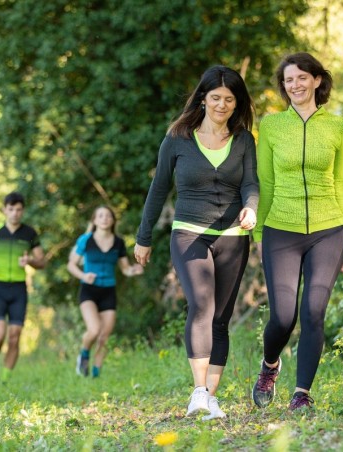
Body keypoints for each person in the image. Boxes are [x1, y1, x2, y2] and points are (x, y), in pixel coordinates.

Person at [134, 65, 258, 420]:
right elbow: (158, 189)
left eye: (229, 99)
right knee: (200, 305)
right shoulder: (177, 137)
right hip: (189, 232)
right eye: (215, 97)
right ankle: (198, 391)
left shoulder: (245, 139)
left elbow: (250, 183)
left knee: (221, 318)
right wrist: (144, 238)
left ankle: (211, 399)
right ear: (203, 98)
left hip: (233, 236)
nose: (222, 105)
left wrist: (250, 208)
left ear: (237, 104)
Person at [252, 52, 343, 412]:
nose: (294, 85)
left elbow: (342, 182)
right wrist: (259, 232)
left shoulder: (337, 126)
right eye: (288, 80)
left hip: (329, 228)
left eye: (301, 78)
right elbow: (265, 180)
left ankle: (301, 394)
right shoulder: (271, 126)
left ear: (316, 80)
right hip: (281, 227)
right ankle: (269, 366)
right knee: (283, 316)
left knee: (313, 311)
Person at [67, 205, 144, 378]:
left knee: (104, 336)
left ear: (113, 221)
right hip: (89, 290)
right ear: (94, 220)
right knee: (94, 330)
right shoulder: (85, 240)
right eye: (100, 215)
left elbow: (125, 269)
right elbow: (71, 265)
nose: (105, 218)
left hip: (108, 291)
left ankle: (95, 374)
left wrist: (134, 270)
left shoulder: (118, 242)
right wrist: (83, 275)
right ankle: (84, 354)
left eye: (108, 216)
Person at [0, 192, 46, 382]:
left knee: (14, 336)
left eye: (18, 210)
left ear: (22, 211)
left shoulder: (29, 234)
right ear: (4, 210)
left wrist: (30, 261)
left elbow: (42, 262)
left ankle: (4, 380)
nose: (15, 214)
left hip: (18, 290)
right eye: (11, 209)